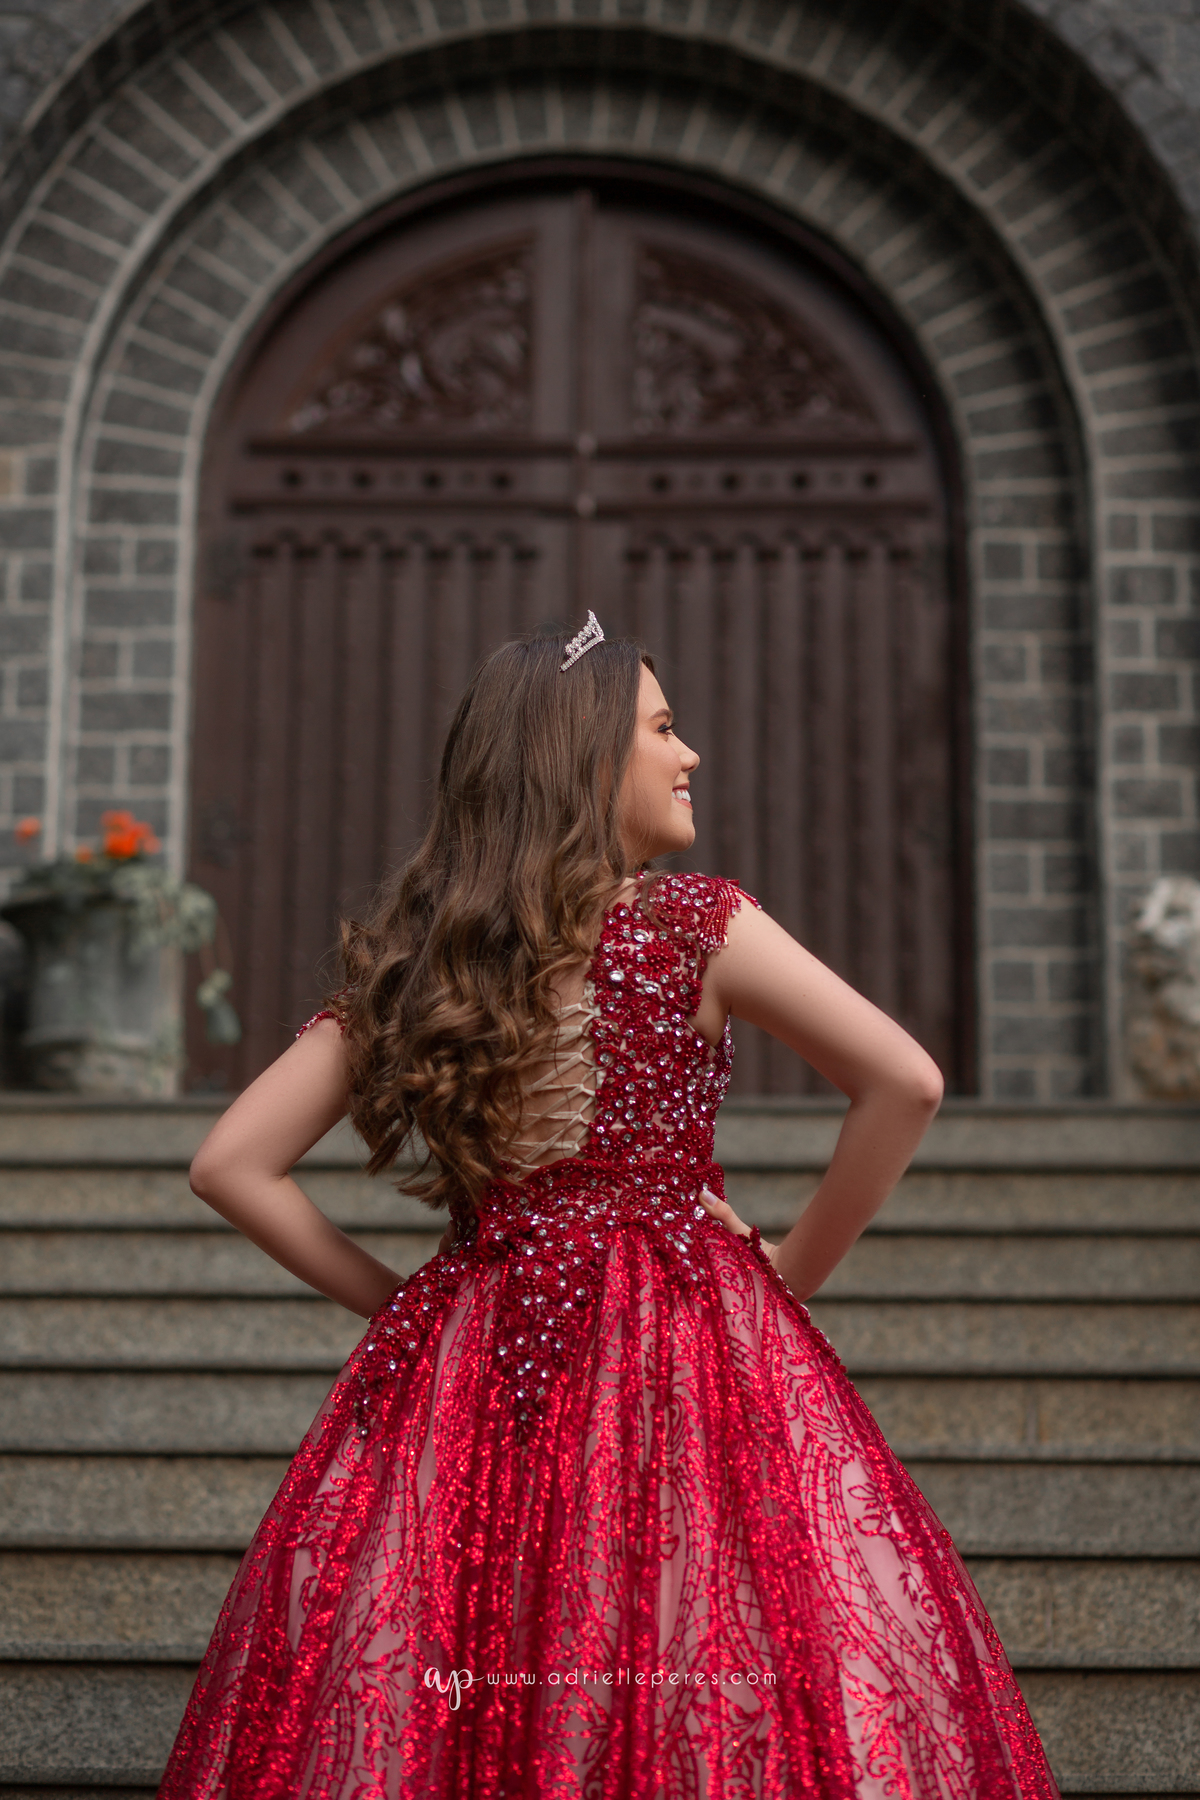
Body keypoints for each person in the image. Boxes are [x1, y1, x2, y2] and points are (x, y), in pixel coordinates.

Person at [158, 616, 1061, 1799]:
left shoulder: (421, 959)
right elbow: (908, 1080)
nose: (690, 755)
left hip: (478, 1342)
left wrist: (407, 1308)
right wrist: (793, 1267)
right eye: (663, 728)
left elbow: (230, 1163)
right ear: (581, 760)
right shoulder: (697, 924)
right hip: (679, 1337)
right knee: (683, 1620)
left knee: (476, 1631)